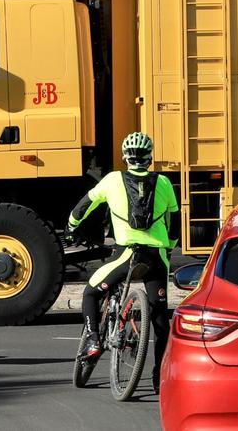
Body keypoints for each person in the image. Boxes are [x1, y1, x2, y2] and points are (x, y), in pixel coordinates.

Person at [68, 132, 178, 393]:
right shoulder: (164, 182)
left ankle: (94, 339)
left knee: (91, 294)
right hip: (156, 256)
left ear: (126, 156)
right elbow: (174, 227)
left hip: (127, 252)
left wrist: (72, 226)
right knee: (160, 320)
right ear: (150, 157)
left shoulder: (112, 180)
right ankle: (158, 377)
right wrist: (169, 250)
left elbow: (84, 207)